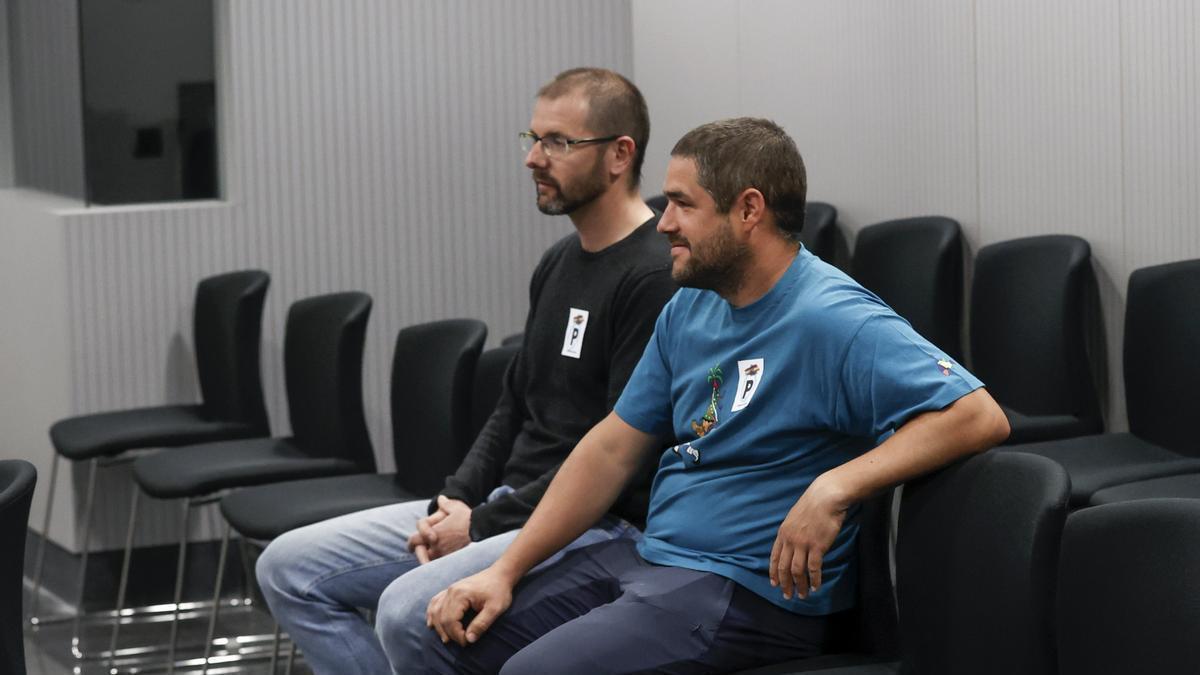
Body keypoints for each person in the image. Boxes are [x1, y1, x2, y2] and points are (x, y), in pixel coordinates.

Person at [409, 117, 1012, 674]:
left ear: (749, 210)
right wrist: (504, 570)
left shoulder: (833, 318)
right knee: (436, 632)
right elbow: (612, 449)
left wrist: (838, 485)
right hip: (658, 557)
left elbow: (977, 414)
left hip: (747, 592)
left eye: (681, 204)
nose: (663, 222)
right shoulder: (691, 306)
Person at [255, 67, 676, 675]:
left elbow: (618, 452)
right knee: (288, 568)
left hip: (586, 523)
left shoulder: (653, 275)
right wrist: (455, 497)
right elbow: (513, 406)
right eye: (532, 138)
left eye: (558, 142)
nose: (534, 157)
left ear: (619, 154)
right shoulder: (559, 260)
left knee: (405, 610)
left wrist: (479, 525)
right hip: (501, 505)